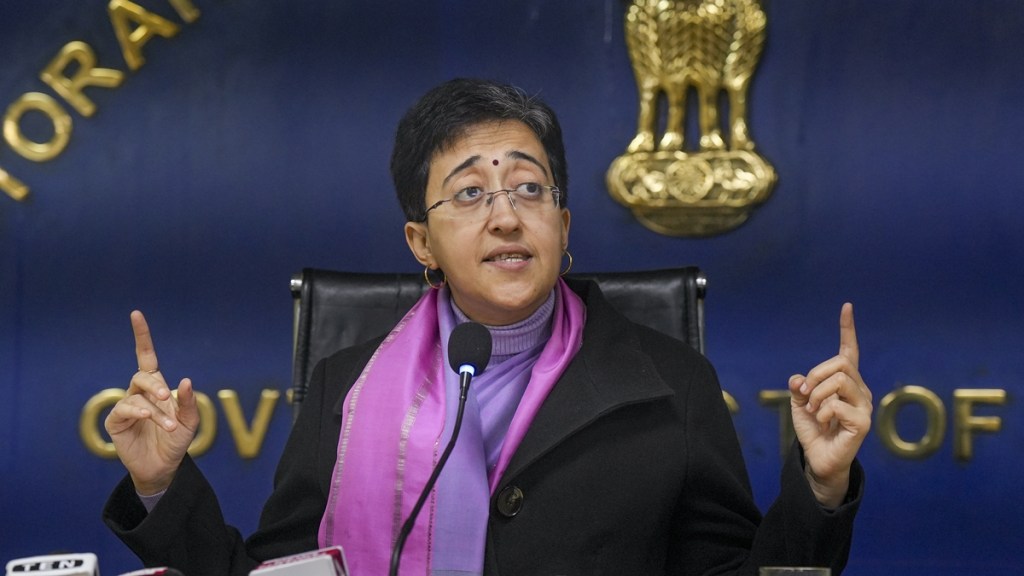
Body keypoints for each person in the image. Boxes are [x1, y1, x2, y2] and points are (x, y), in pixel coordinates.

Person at [103, 78, 873, 575]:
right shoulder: (348, 388)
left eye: (529, 188)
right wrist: (161, 484)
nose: (506, 216)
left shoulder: (673, 385)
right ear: (421, 243)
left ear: (563, 225)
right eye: (469, 193)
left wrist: (822, 485)